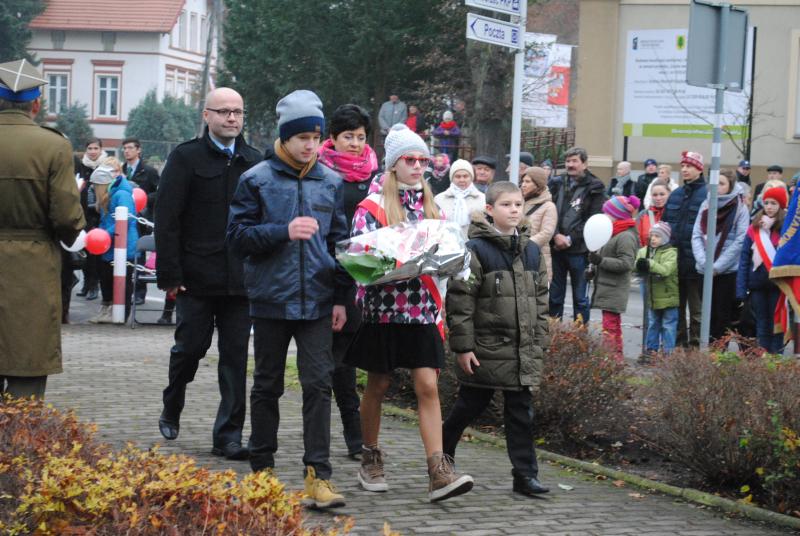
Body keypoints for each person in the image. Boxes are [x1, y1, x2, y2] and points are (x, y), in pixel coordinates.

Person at [227, 89, 350, 509]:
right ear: (285, 137)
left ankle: (319, 478)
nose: (310, 145)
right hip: (271, 299)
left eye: (316, 137)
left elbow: (340, 245)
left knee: (318, 385)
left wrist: (341, 298)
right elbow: (237, 238)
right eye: (302, 138)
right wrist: (282, 231)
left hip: (318, 301)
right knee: (267, 385)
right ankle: (262, 473)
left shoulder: (331, 181)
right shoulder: (256, 179)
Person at [345, 124, 474, 502]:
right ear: (393, 165)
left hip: (422, 310)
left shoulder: (434, 207)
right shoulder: (371, 207)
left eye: (423, 160)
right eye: (410, 159)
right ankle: (370, 457)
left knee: (428, 385)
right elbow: (360, 263)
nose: (418, 166)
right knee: (379, 384)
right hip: (382, 312)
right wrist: (399, 261)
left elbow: (449, 250)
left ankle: (438, 471)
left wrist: (457, 261)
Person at [155, 88, 261, 462]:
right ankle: (173, 401)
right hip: (196, 277)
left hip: (240, 282)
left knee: (235, 360)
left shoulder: (255, 161)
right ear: (207, 116)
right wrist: (170, 273)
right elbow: (167, 218)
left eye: (238, 112)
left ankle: (228, 437)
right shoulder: (186, 157)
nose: (232, 118)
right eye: (224, 111)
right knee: (190, 349)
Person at [442, 181, 550, 498]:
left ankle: (525, 475)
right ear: (489, 209)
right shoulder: (476, 250)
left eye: (518, 204)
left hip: (521, 349)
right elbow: (461, 301)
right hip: (486, 348)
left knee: (521, 412)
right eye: (506, 205)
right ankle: (442, 458)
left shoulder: (532, 251)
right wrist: (464, 347)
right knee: (469, 406)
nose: (514, 210)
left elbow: (541, 300)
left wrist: (539, 341)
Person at [0, 58, 85, 399]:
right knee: (27, 368)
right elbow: (66, 216)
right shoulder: (53, 145)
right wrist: (72, 235)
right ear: (36, 104)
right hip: (33, 265)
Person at [317, 103, 379, 459]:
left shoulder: (375, 177)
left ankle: (355, 437)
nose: (355, 144)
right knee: (324, 363)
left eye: (360, 137)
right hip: (323, 273)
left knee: (345, 363)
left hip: (361, 278)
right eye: (347, 137)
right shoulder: (320, 173)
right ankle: (326, 436)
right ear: (333, 138)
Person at [549, 146, 606, 323]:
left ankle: (579, 335)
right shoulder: (557, 182)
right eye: (568, 161)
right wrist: (556, 235)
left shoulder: (595, 186)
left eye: (574, 161)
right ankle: (554, 332)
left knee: (580, 299)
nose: (570, 165)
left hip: (579, 250)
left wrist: (569, 238)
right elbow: (550, 212)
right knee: (555, 296)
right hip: (556, 248)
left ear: (584, 164)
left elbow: (592, 219)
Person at [691, 170, 749, 341]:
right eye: (715, 183)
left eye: (722, 184)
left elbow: (740, 241)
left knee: (721, 317)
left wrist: (716, 267)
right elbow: (696, 235)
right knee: (706, 315)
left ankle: (719, 352)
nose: (717, 187)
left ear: (730, 186)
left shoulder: (740, 208)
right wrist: (704, 263)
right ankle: (706, 351)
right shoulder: (706, 204)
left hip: (726, 272)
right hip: (704, 270)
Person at [662, 151, 708, 347]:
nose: (684, 170)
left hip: (696, 263)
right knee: (676, 308)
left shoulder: (707, 194)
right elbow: (665, 224)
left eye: (689, 166)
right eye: (682, 166)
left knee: (697, 310)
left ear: (699, 169)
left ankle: (696, 348)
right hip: (675, 261)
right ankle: (679, 346)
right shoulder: (676, 194)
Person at [736, 186, 788, 354]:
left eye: (774, 203)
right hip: (757, 285)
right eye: (766, 203)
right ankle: (764, 359)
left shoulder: (787, 229)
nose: (769, 207)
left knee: (777, 325)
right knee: (761, 325)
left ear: (781, 206)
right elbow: (744, 259)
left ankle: (776, 359)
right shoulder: (754, 228)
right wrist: (741, 289)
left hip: (778, 285)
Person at [588, 195, 640, 362]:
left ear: (617, 215)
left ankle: (611, 359)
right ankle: (616, 358)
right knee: (612, 325)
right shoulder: (612, 232)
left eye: (607, 213)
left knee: (610, 327)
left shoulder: (625, 236)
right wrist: (592, 270)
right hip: (608, 286)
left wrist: (601, 261)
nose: (604, 216)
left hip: (614, 288)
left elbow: (626, 263)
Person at [87, 158, 138, 324]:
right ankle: (107, 308)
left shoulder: (122, 194)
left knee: (122, 282)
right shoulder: (114, 193)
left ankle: (120, 313)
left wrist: (103, 234)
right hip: (110, 244)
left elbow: (125, 220)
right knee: (106, 279)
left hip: (122, 245)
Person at [121, 137, 160, 306]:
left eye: (130, 148)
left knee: (139, 257)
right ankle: (124, 291)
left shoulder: (149, 171)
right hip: (124, 218)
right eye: (124, 148)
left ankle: (139, 292)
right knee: (124, 256)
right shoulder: (121, 170)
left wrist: (142, 197)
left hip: (141, 218)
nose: (127, 151)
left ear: (138, 150)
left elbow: (158, 193)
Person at [635, 221, 679, 356]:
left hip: (668, 297)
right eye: (652, 235)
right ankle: (651, 351)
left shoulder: (671, 253)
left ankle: (668, 353)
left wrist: (650, 264)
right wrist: (639, 265)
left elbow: (665, 270)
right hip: (653, 298)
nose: (653, 239)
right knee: (653, 323)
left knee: (668, 325)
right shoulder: (644, 251)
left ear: (665, 238)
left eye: (657, 236)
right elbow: (635, 265)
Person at [76, 137, 108, 301]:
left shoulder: (106, 166)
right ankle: (86, 283)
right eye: (90, 148)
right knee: (84, 252)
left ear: (101, 150)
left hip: (100, 216)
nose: (93, 151)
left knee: (96, 255)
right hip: (83, 215)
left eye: (96, 148)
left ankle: (94, 285)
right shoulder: (81, 167)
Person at [521, 167, 557, 283]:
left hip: (537, 257)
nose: (523, 185)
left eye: (527, 182)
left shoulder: (548, 206)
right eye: (523, 181)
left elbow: (547, 233)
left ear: (538, 184)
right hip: (518, 256)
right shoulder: (519, 202)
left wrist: (524, 244)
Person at [434, 159, 485, 238]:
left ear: (471, 177)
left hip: (473, 242)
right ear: (452, 178)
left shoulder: (482, 199)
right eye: (457, 176)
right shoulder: (439, 199)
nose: (462, 180)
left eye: (465, 176)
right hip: (446, 242)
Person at [635, 178, 672, 247]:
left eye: (662, 194)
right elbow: (636, 239)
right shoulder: (643, 214)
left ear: (669, 194)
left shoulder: (675, 214)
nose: (658, 198)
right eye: (655, 195)